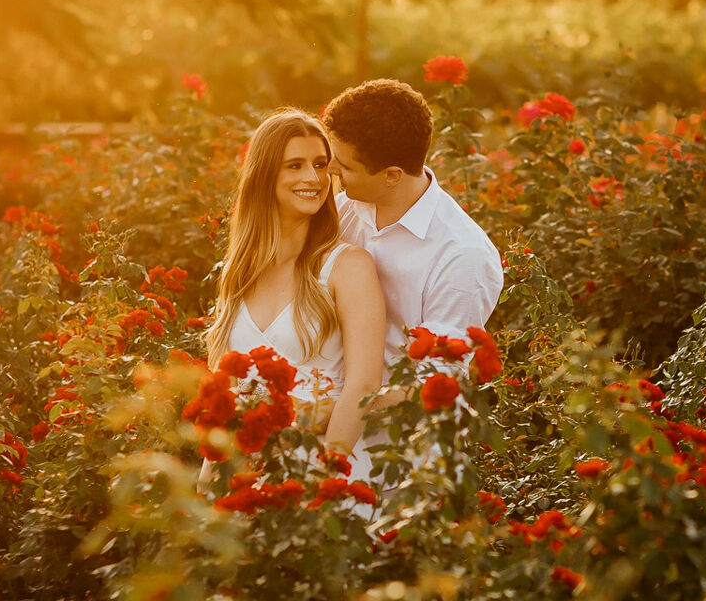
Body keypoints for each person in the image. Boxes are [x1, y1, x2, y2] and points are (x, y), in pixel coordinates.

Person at [202, 109, 386, 512]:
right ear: (265, 175)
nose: (313, 178)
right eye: (295, 165)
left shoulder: (346, 266)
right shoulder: (241, 271)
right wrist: (208, 483)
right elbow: (227, 391)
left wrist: (322, 481)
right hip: (245, 479)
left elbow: (363, 384)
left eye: (321, 165)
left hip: (323, 480)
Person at [321, 79, 504, 385]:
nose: (330, 169)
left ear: (392, 175)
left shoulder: (461, 255)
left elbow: (433, 381)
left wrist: (345, 411)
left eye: (345, 166)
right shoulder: (340, 212)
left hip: (396, 427)